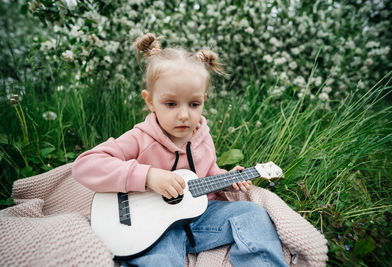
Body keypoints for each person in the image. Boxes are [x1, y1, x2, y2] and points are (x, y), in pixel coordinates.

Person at [72, 33, 288, 267]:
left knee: (253, 215)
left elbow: (206, 174)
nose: (184, 115)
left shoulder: (203, 137)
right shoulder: (140, 138)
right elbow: (85, 164)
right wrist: (148, 176)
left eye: (194, 104)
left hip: (200, 219)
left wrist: (226, 179)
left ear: (204, 99)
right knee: (159, 261)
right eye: (171, 104)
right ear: (150, 101)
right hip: (153, 228)